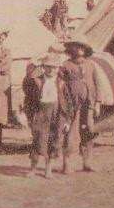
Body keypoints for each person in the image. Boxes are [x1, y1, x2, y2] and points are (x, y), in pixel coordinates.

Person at [23, 50, 75, 178]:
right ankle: (33, 169)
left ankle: (48, 169)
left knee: (55, 140)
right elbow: (28, 99)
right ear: (43, 67)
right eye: (48, 67)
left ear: (58, 68)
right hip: (41, 112)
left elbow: (68, 102)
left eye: (54, 67)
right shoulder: (37, 81)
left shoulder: (62, 82)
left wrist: (68, 120)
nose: (51, 70)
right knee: (38, 140)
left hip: (58, 113)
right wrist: (30, 117)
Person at [61, 38, 100, 172]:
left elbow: (97, 84)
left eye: (82, 47)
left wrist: (98, 103)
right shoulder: (66, 65)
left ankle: (87, 162)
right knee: (70, 134)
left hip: (88, 105)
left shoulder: (91, 65)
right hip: (72, 105)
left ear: (86, 50)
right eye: (76, 46)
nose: (79, 49)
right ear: (71, 49)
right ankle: (67, 164)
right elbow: (60, 85)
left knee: (88, 131)